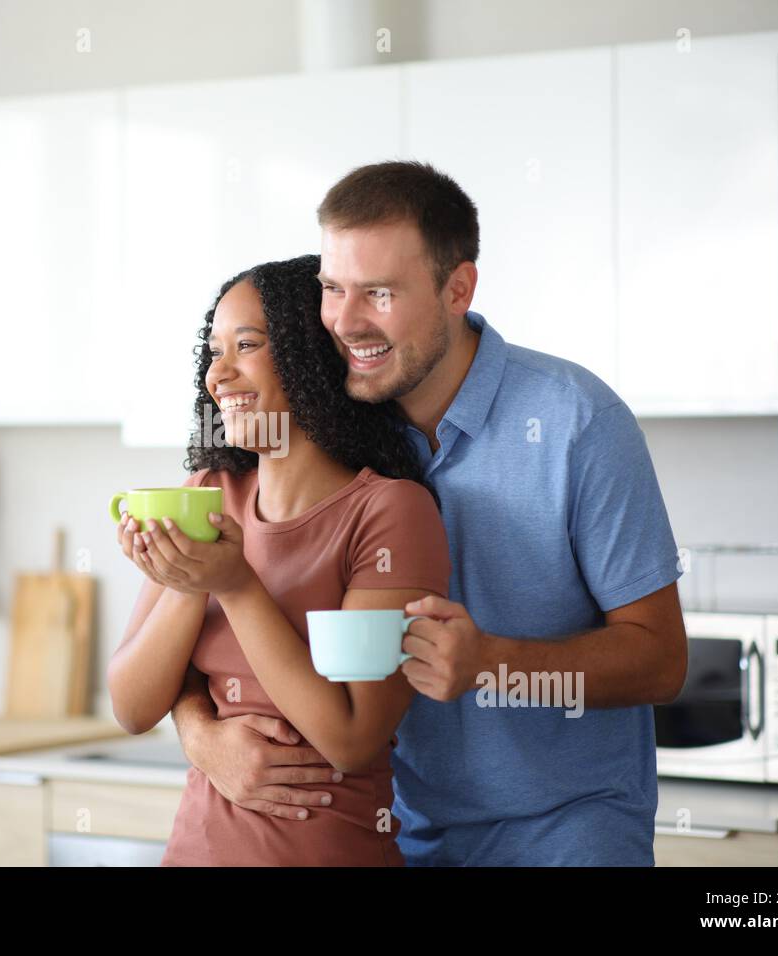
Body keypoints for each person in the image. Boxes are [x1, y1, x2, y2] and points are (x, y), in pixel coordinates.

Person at [170, 161, 689, 867]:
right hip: (397, 833)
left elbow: (660, 660)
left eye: (378, 293)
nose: (346, 322)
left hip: (563, 835)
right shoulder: (333, 423)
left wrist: (491, 665)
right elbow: (225, 618)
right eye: (332, 289)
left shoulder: (575, 421)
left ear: (457, 289)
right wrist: (199, 734)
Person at [107, 254, 450, 866]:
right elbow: (132, 707)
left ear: (308, 354)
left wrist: (235, 585)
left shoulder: (388, 513)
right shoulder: (209, 492)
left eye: (246, 345)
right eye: (213, 350)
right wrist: (190, 583)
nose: (219, 374)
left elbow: (350, 736)